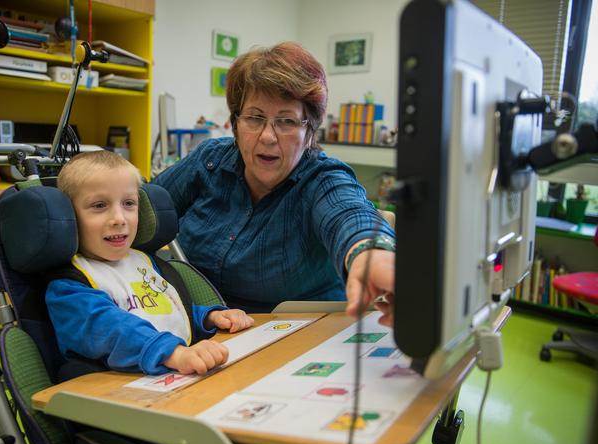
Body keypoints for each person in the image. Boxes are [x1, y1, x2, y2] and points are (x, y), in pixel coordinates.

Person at [153, 42, 396, 325]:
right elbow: (145, 209)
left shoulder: (322, 179)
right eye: (255, 118)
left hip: (291, 337)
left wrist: (371, 254)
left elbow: (350, 215)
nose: (268, 136)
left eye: (286, 121)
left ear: (309, 133)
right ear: (235, 124)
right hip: (198, 329)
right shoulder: (210, 161)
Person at [45, 151, 254, 376]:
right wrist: (174, 354)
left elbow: (164, 308)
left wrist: (208, 317)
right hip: (114, 391)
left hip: (171, 376)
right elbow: (111, 329)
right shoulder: (70, 285)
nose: (119, 218)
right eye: (99, 205)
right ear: (69, 216)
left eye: (128, 203)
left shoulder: (143, 262)